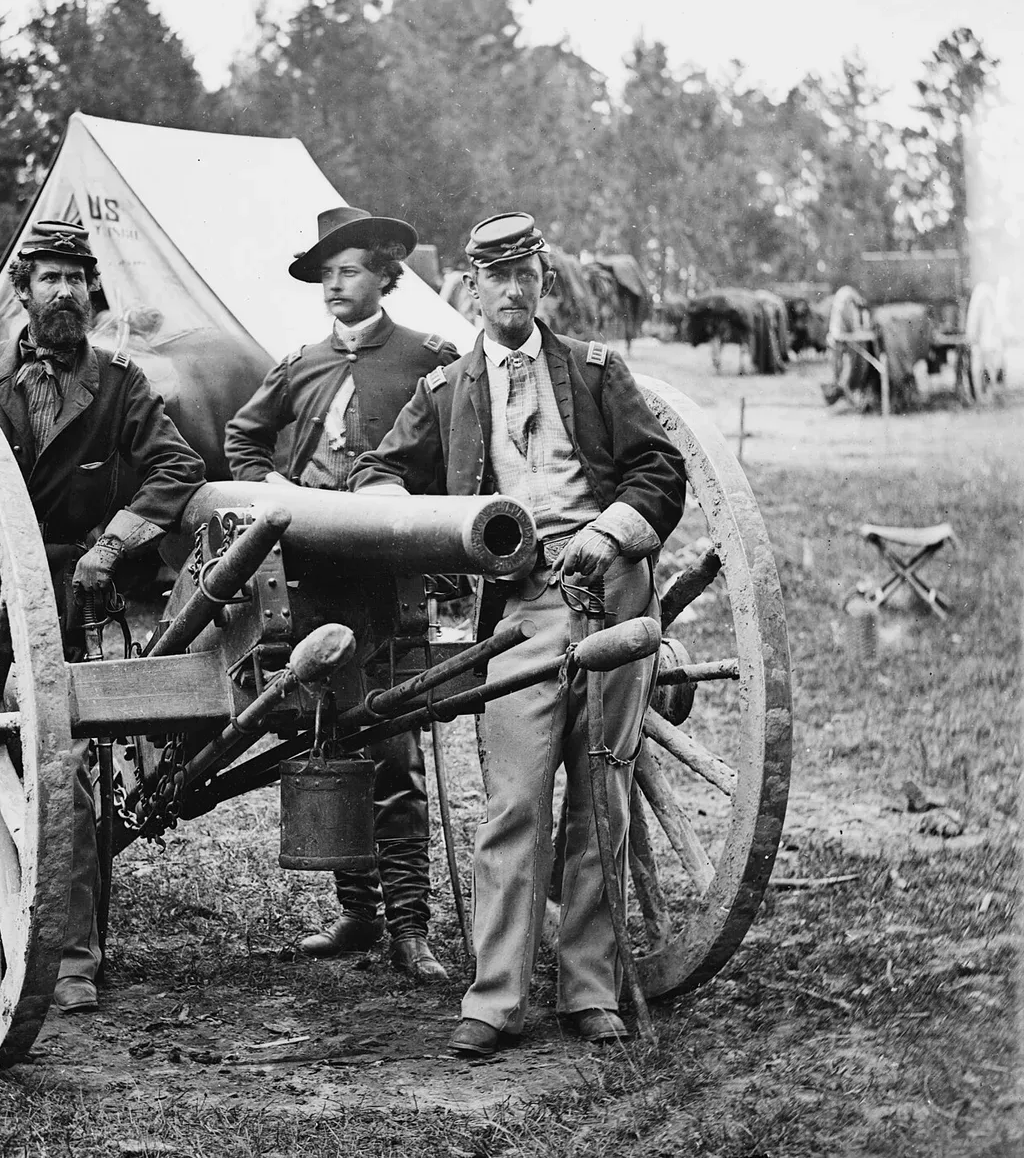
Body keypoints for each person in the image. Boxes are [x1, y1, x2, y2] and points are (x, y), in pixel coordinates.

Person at [350, 213, 685, 1056]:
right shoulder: (446, 394)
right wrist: (420, 525)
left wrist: (611, 531)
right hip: (521, 615)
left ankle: (589, 989)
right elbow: (378, 473)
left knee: (600, 795)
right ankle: (495, 996)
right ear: (470, 287)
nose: (510, 290)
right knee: (513, 800)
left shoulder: (597, 372)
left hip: (611, 596)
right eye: (493, 277)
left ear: (543, 281)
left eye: (523, 274)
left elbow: (659, 468)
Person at [0, 220, 205, 1014]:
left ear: (92, 292)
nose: (62, 292)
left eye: (74, 278)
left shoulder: (119, 384)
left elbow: (177, 466)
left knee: (69, 777)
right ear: (22, 290)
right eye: (47, 277)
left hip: (73, 594)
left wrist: (114, 545)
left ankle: (74, 955)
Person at [224, 206, 458, 984]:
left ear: (386, 275)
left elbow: (456, 450)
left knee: (396, 749)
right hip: (318, 581)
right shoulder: (297, 364)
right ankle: (357, 910)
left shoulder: (429, 358)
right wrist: (276, 493)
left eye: (349, 269)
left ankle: (411, 927)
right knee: (332, 737)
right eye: (325, 274)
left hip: (392, 582)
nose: (334, 284)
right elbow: (242, 441)